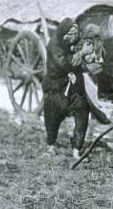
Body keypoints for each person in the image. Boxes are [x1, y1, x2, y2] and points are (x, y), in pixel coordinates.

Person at [42, 18, 93, 159]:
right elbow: (64, 64)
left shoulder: (75, 41)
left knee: (82, 111)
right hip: (56, 86)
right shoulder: (54, 45)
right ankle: (51, 145)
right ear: (62, 32)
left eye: (75, 34)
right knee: (52, 116)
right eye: (69, 34)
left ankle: (77, 149)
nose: (72, 37)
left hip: (74, 86)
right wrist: (81, 53)